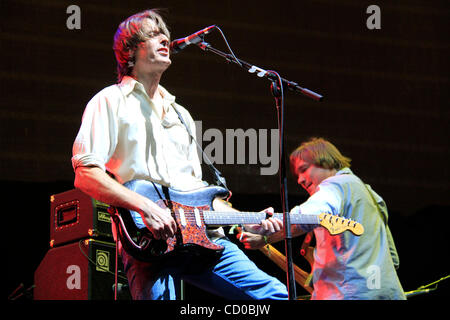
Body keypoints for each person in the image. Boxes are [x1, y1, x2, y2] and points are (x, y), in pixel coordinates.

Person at [71, 9, 288, 300]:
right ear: (130, 51)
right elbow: (86, 173)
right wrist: (145, 208)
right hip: (147, 241)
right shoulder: (109, 101)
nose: (164, 38)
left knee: (277, 296)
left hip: (204, 239)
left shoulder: (180, 114)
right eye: (152, 34)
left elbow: (196, 195)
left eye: (166, 35)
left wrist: (248, 219)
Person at [238, 138, 406, 300]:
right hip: (388, 292)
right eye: (297, 174)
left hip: (348, 294)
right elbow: (393, 258)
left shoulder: (335, 185)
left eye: (303, 169)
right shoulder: (370, 194)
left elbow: (306, 216)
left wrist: (260, 228)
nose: (300, 180)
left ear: (326, 162)